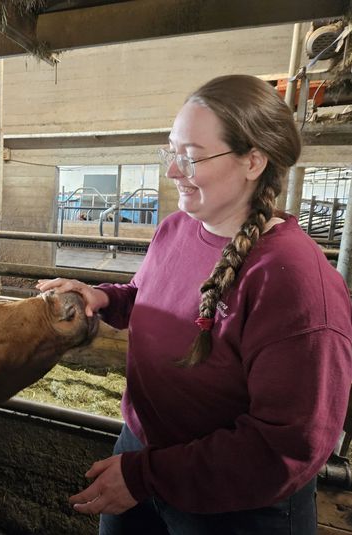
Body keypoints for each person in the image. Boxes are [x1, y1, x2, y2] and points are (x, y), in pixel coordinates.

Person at [37, 74, 352, 535]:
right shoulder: (176, 229)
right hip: (141, 450)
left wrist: (146, 476)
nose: (171, 171)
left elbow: (284, 447)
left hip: (235, 506)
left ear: (253, 162)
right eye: (171, 152)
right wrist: (104, 297)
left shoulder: (295, 283)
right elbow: (152, 298)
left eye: (191, 157)